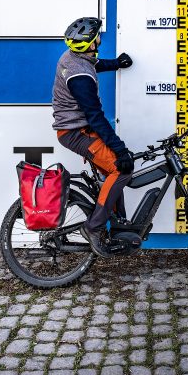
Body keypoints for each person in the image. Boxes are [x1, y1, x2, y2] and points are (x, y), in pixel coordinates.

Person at [52, 16, 134, 257]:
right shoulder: (80, 79)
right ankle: (94, 228)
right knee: (122, 169)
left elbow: (92, 65)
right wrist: (120, 149)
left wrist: (116, 64)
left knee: (113, 169)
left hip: (77, 128)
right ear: (90, 42)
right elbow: (96, 118)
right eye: (98, 36)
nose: (100, 38)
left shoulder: (72, 58)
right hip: (76, 133)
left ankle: (118, 223)